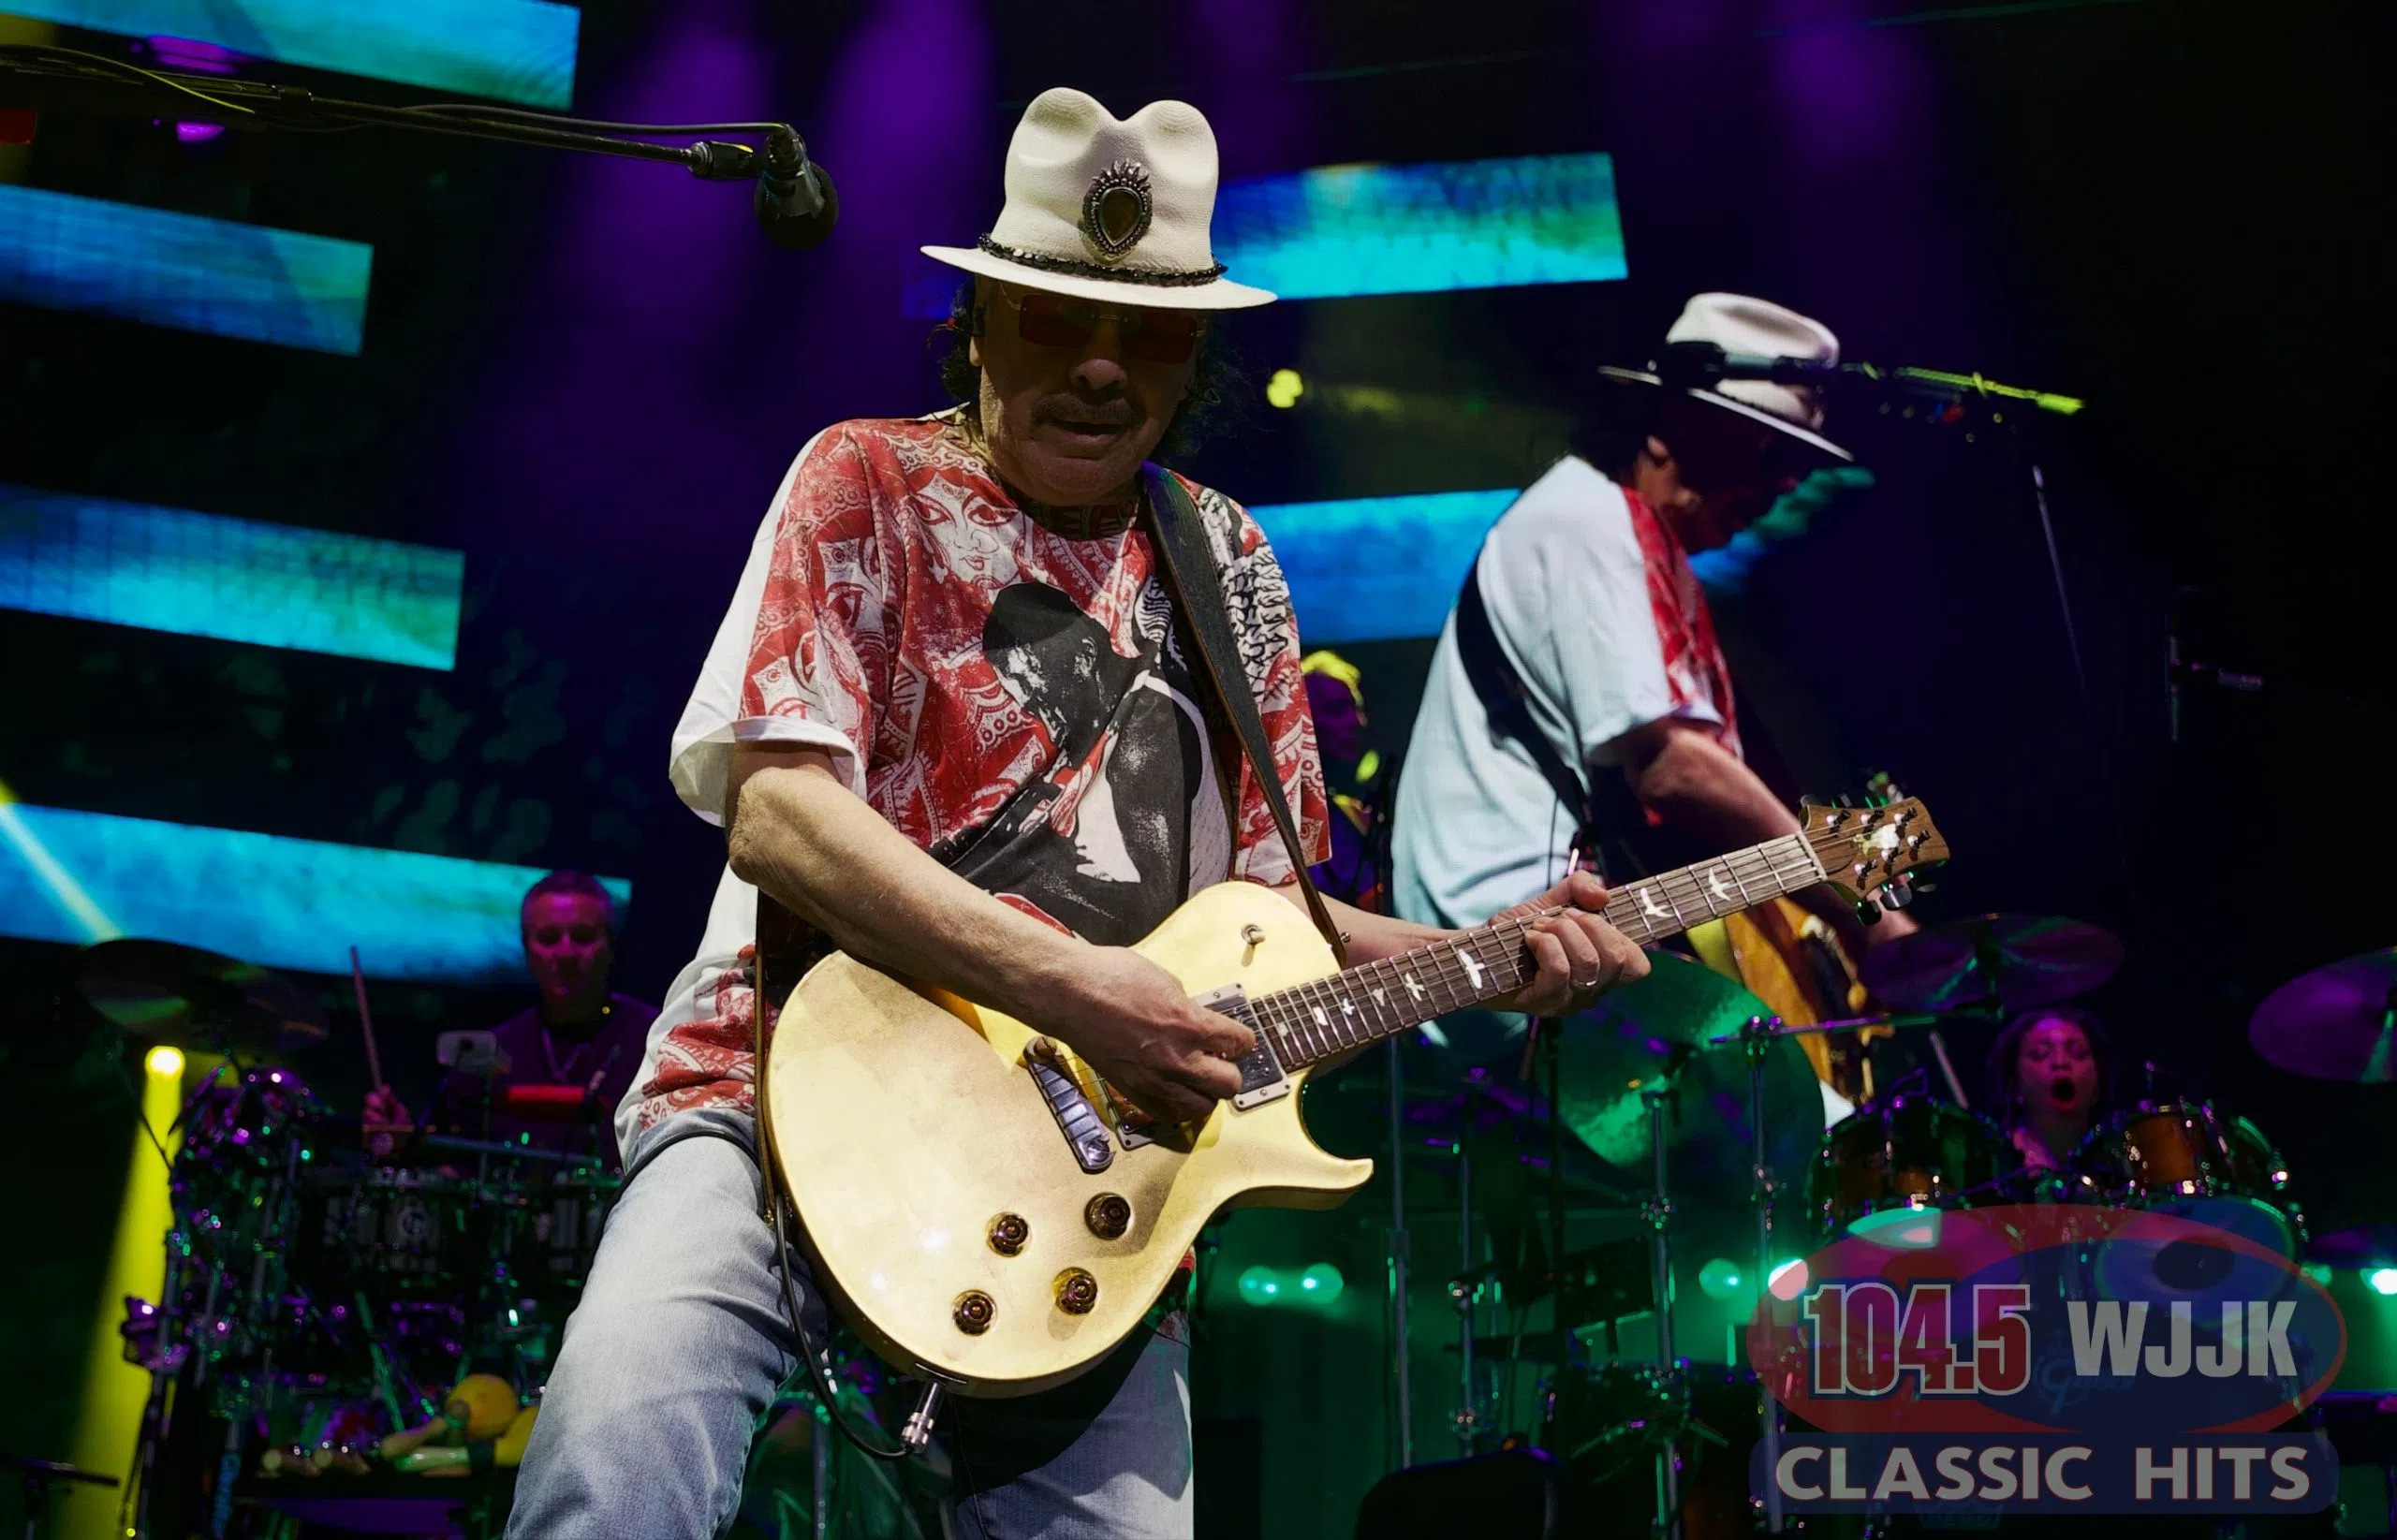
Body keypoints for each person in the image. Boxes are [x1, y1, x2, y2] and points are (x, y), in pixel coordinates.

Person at [503, 88, 1650, 1540]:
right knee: (612, 1462)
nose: (1103, 367)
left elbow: (1275, 919)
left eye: (1150, 334)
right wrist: (1078, 991)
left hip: (1085, 1199)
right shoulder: (867, 479)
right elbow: (779, 816)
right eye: (1057, 321)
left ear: (1194, 360)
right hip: (779, 1101)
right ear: (980, 322)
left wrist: (1489, 953)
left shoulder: (1230, 559)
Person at [1389, 293, 1915, 1065]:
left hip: (1570, 933)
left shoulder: (1636, 539)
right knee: (1809, 1120)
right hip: (1519, 940)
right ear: (1670, 430)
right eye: (1765, 454)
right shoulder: (1589, 516)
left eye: (1795, 465)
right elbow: (1674, 769)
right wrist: (1857, 895)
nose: (1783, 486)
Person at [362, 870, 656, 1171]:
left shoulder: (655, 1040)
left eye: (582, 937)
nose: (566, 953)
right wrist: (406, 1141)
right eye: (549, 938)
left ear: (611, 946)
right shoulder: (493, 1052)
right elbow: (453, 1166)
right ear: (526, 949)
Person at [1301, 649, 1383, 910]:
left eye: (1355, 708)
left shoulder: (1350, 814)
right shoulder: (1283, 816)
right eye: (1336, 709)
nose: (1356, 721)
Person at [1986, 1005, 2110, 1172]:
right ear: (2014, 1083)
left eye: (2077, 1052)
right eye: (2041, 1053)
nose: (2060, 1062)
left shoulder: (2117, 1163)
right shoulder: (1995, 1164)